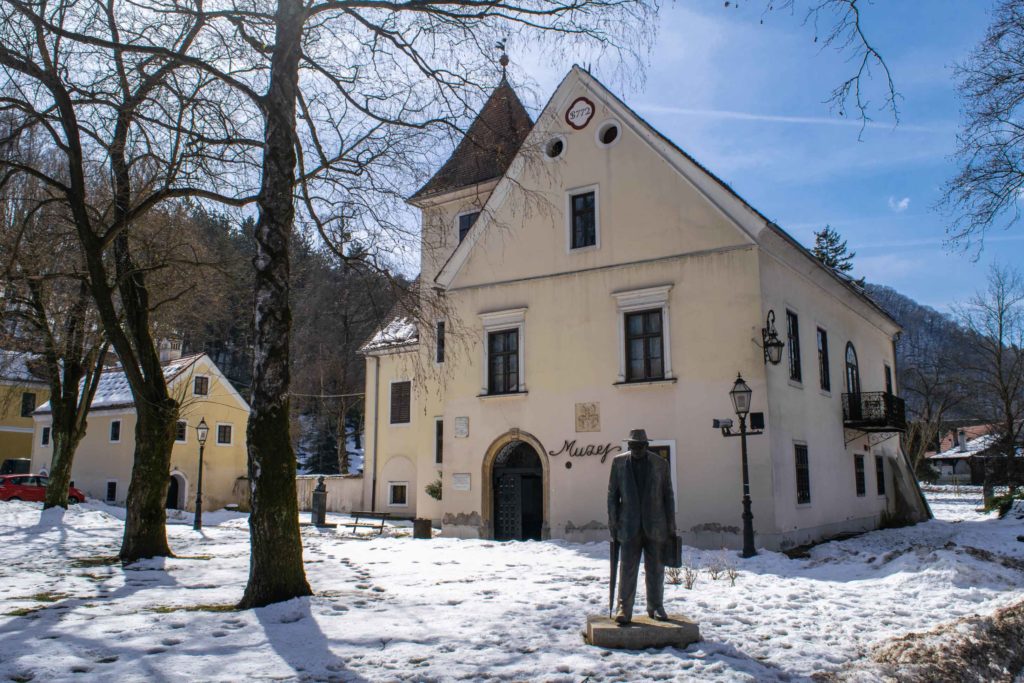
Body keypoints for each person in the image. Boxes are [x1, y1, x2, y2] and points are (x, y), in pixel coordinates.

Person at [607, 428, 676, 624]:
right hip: (628, 526)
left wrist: (671, 525)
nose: (636, 450)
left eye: (639, 446)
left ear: (647, 446)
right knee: (627, 568)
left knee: (656, 569)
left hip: (656, 526)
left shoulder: (660, 464)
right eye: (632, 446)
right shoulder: (618, 463)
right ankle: (624, 608)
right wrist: (613, 523)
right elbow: (612, 495)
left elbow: (668, 496)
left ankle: (656, 606)